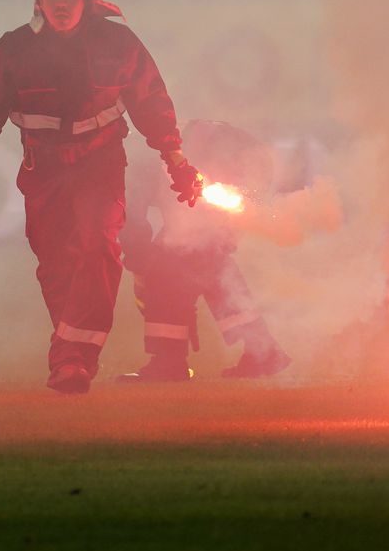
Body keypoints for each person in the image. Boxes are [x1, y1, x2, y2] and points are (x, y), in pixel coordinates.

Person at [0, 0, 202, 394]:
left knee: (99, 246)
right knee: (56, 264)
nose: (60, 4)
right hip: (44, 169)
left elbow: (152, 101)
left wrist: (176, 160)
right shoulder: (15, 49)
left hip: (100, 164)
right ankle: (70, 348)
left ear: (89, 1)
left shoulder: (119, 45)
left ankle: (72, 359)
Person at [117, 120, 291, 382]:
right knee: (201, 260)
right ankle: (261, 350)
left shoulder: (134, 164)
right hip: (242, 164)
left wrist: (141, 265)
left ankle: (170, 362)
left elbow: (132, 220)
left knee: (174, 265)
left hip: (230, 166)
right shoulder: (150, 153)